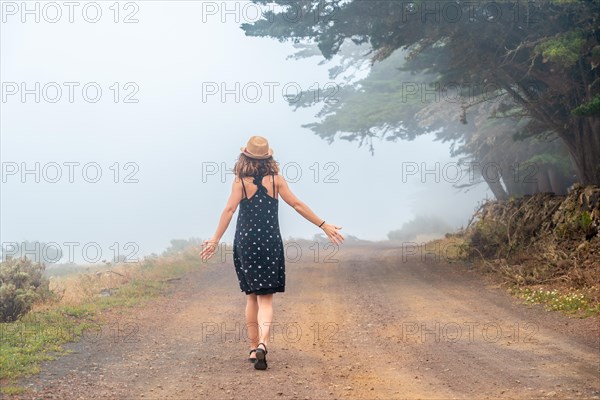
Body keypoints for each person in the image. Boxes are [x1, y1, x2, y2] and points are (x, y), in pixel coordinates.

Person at [199, 135, 344, 370]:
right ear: (269, 157)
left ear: (244, 156)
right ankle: (264, 344)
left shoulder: (240, 182)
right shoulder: (276, 180)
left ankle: (252, 346)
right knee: (266, 299)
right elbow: (297, 205)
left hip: (246, 243)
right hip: (269, 243)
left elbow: (229, 210)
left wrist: (215, 240)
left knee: (251, 296)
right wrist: (323, 224)